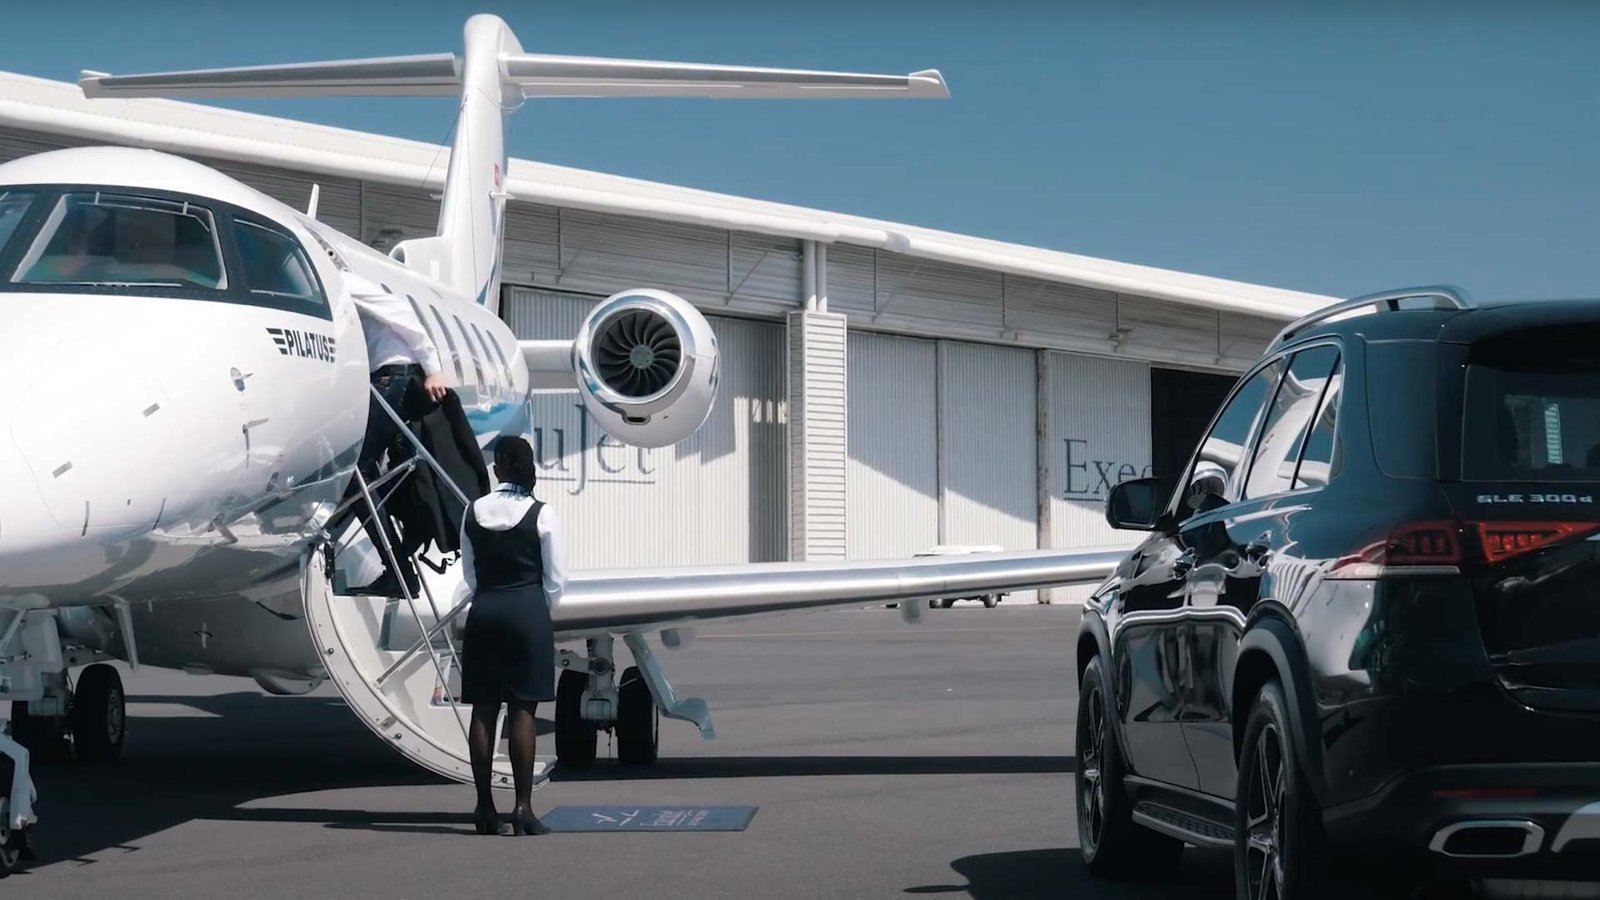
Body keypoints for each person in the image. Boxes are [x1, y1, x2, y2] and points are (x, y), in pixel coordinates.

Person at [458, 435, 568, 836]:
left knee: (483, 709)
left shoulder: (473, 510)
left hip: (485, 611)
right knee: (523, 710)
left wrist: (489, 597)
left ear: (500, 465)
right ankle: (522, 806)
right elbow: (556, 579)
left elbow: (469, 574)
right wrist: (537, 610)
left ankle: (484, 806)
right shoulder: (542, 513)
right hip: (526, 611)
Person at [333, 273, 450, 596]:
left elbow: (403, 319)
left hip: (395, 378)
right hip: (385, 379)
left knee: (357, 472)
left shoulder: (344, 282)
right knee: (364, 472)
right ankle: (399, 562)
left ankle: (398, 569)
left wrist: (433, 368)